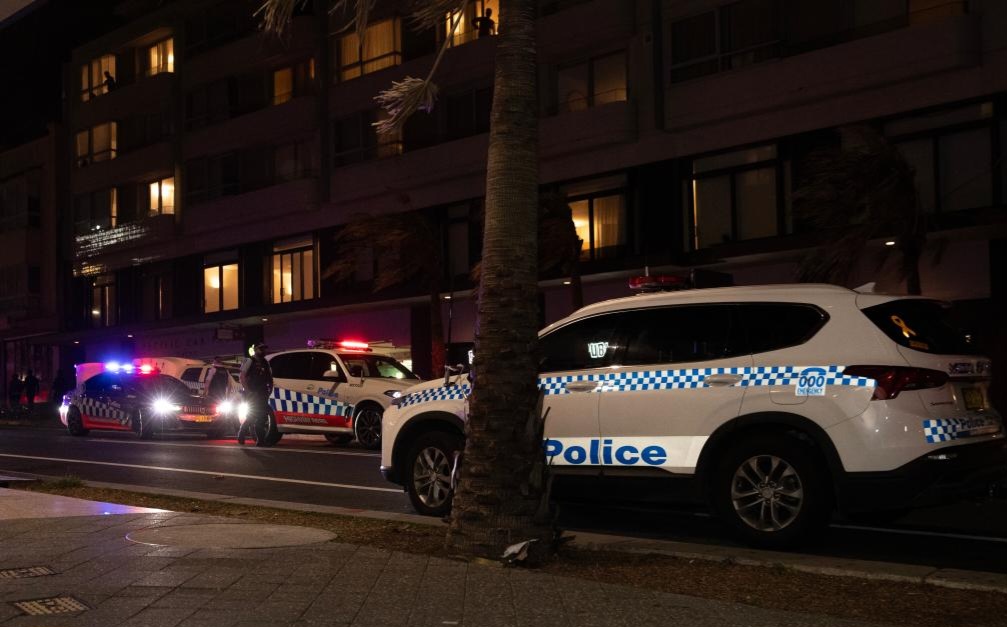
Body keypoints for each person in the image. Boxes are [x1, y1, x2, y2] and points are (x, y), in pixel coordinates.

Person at [238, 343, 273, 446]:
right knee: (253, 415)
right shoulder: (250, 361)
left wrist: (270, 388)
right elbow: (242, 376)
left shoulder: (265, 362)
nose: (263, 351)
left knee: (262, 416)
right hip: (252, 392)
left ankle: (260, 440)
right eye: (261, 349)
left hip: (263, 392)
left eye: (264, 349)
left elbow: (269, 376)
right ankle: (243, 433)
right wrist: (248, 390)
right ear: (255, 349)